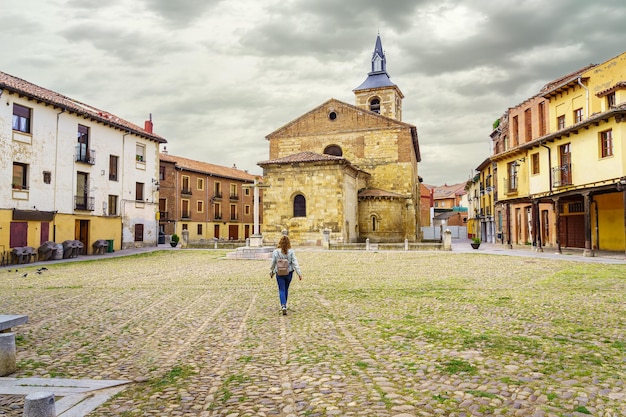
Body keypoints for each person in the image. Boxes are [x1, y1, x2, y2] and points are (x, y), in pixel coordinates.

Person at [270, 235, 303, 315]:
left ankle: (283, 305)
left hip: (279, 272)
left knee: (281, 289)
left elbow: (273, 263)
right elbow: (295, 263)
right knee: (286, 289)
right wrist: (299, 273)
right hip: (289, 272)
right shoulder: (291, 251)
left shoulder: (276, 252)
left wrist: (272, 272)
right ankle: (284, 304)